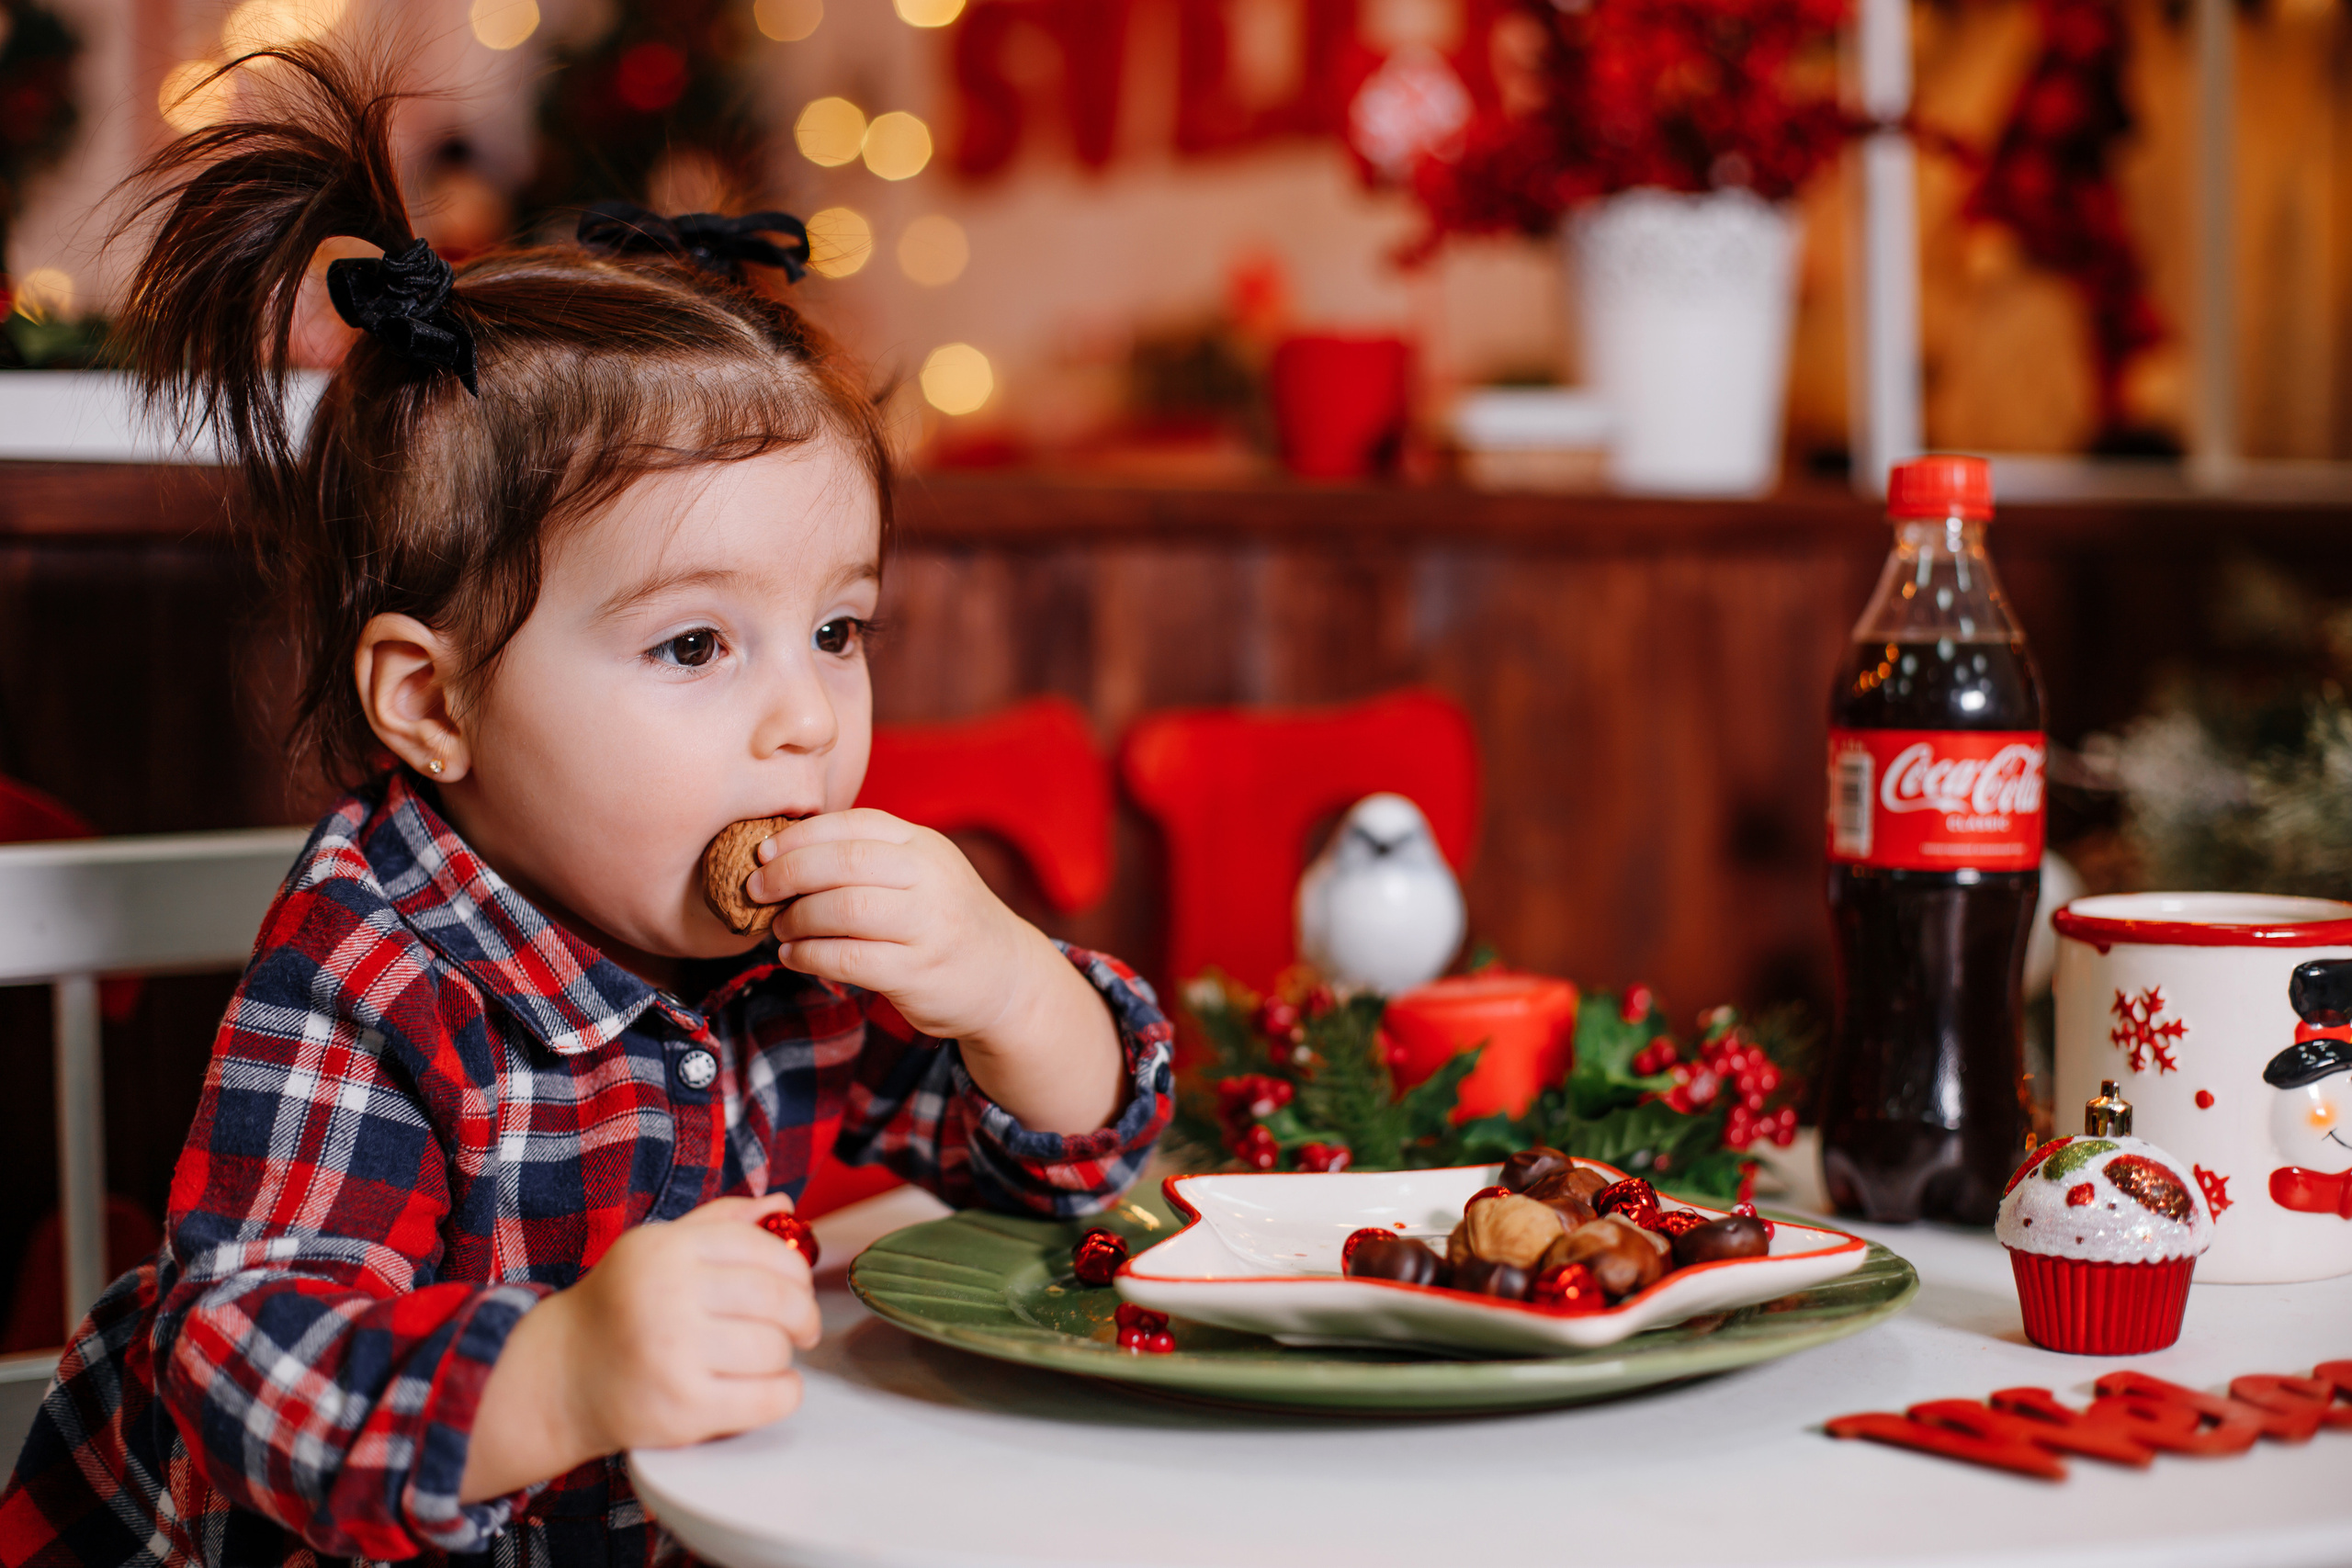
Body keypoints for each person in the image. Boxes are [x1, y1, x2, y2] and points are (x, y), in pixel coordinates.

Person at [0, 49, 1172, 1568]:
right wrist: (554, 1373)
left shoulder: (773, 956)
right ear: (433, 703)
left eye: (839, 629)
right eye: (695, 644)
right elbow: (244, 1369)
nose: (809, 716)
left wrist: (1012, 990)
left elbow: (1067, 1176)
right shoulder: (377, 971)